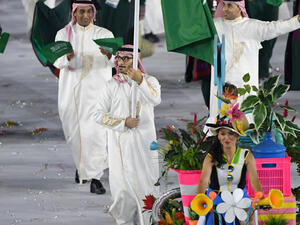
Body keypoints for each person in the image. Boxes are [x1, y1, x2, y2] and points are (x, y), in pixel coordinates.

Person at [93, 45, 161, 225]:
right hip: (119, 145)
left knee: (147, 183)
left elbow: (155, 99)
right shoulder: (111, 85)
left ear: (136, 60)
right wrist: (123, 123)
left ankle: (148, 220)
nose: (122, 62)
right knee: (122, 189)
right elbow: (97, 115)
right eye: (119, 58)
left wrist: (140, 82)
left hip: (143, 144)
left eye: (127, 58)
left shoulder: (150, 81)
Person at [53, 0, 114, 194]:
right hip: (71, 94)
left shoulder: (105, 35)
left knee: (96, 134)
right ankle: (82, 168)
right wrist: (68, 57)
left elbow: (117, 61)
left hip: (97, 92)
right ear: (74, 13)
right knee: (75, 134)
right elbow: (55, 60)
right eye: (81, 12)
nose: (85, 16)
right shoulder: (64, 34)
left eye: (89, 11)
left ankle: (95, 177)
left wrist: (109, 55)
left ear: (94, 13)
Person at [209, 0, 300, 118]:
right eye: (223, 5)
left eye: (229, 5)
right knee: (218, 123)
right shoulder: (214, 26)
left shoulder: (252, 27)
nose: (225, 9)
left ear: (240, 7)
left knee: (245, 120)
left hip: (244, 86)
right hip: (220, 87)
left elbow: (275, 27)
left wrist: (296, 21)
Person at [197, 103, 263, 225]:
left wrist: (262, 198)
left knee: (248, 218)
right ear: (218, 136)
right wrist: (199, 201)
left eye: (231, 133)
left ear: (237, 136)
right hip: (216, 202)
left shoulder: (247, 156)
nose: (226, 138)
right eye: (222, 134)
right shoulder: (210, 157)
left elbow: (255, 181)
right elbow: (203, 181)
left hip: (241, 202)